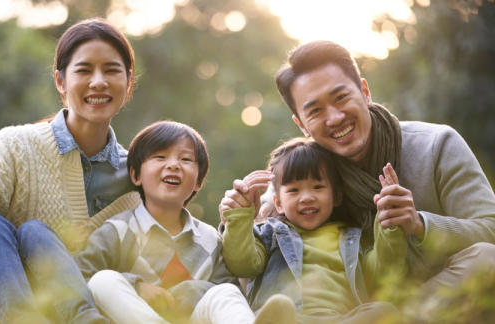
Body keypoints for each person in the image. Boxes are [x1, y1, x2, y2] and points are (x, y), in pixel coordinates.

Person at [222, 40, 495, 319]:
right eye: (315, 111)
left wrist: (418, 224)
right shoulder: (304, 172)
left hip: (430, 302)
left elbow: (491, 228)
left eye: (340, 97)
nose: (335, 118)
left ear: (365, 92)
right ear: (301, 124)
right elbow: (251, 249)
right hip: (352, 312)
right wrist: (238, 214)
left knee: (489, 260)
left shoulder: (436, 146)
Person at [0, 18, 142, 323]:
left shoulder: (137, 178)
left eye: (111, 70)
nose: (98, 82)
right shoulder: (16, 145)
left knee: (35, 232)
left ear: (129, 81)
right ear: (60, 81)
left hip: (72, 314)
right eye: (83, 70)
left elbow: (164, 253)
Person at [73, 120, 298, 324]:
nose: (173, 165)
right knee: (102, 280)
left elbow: (228, 289)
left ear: (199, 181)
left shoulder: (210, 239)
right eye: (160, 157)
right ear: (135, 175)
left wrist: (190, 292)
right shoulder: (118, 230)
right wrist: (136, 286)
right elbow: (80, 276)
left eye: (185, 159)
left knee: (225, 293)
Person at [221, 137, 406, 323]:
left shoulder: (352, 238)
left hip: (341, 319)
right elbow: (241, 264)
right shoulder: (270, 234)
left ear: (336, 196)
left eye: (318, 187)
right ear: (278, 203)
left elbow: (383, 273)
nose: (307, 197)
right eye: (294, 190)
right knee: (280, 304)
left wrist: (389, 221)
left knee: (385, 310)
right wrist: (240, 215)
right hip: (290, 319)